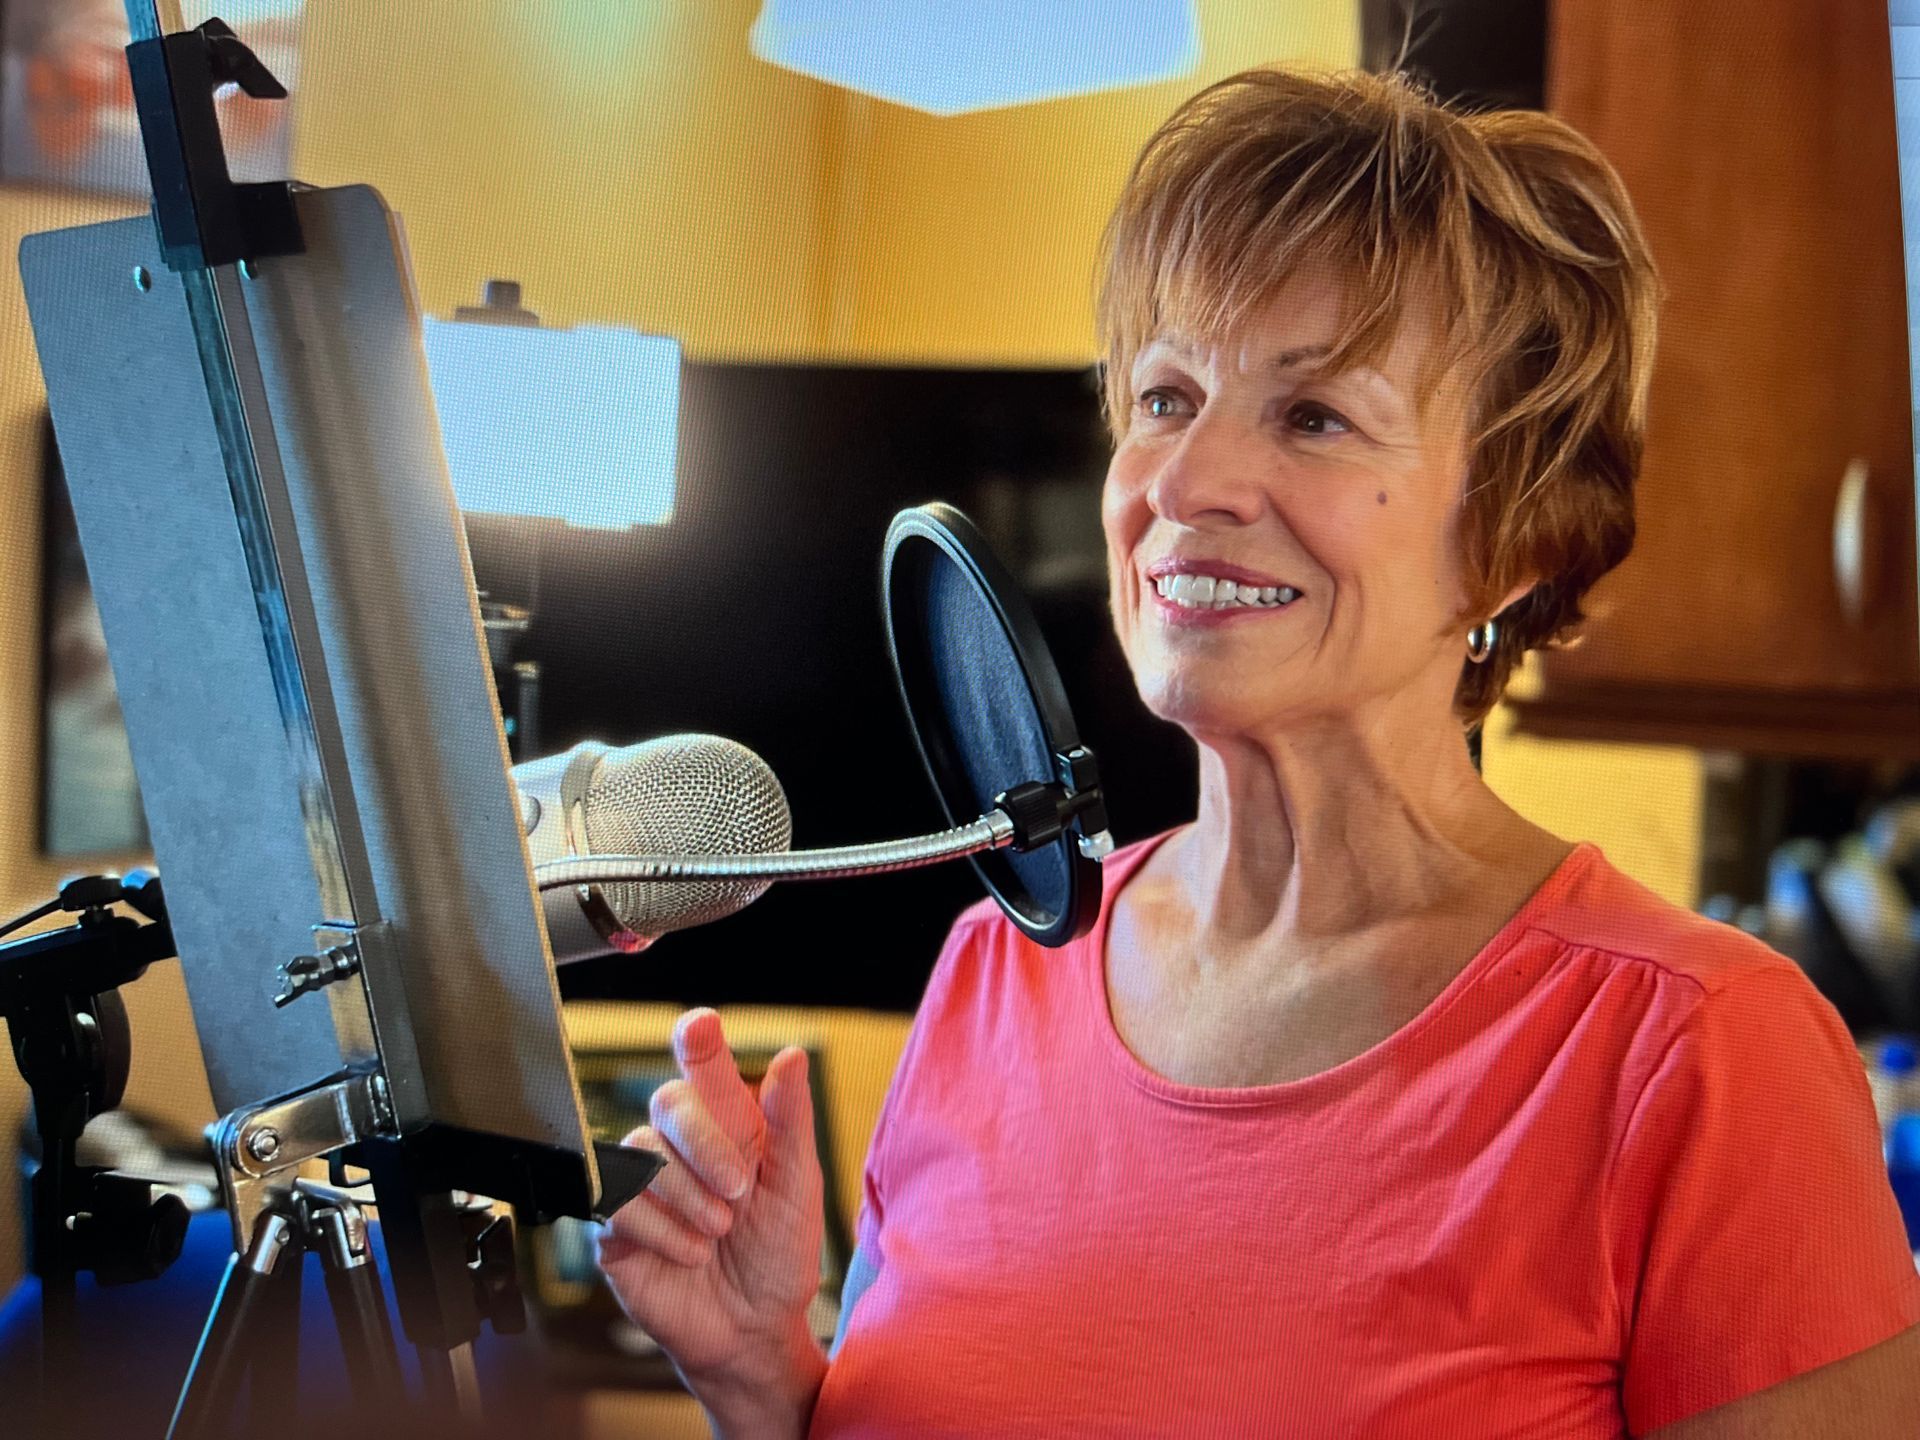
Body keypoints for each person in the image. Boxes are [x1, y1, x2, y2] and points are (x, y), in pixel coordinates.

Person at [596, 66, 1920, 1438]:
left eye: (1313, 415)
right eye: (1166, 396)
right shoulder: (1000, 972)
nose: (1183, 484)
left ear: (1512, 539)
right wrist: (763, 1378)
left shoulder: (1699, 1055)